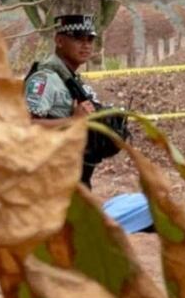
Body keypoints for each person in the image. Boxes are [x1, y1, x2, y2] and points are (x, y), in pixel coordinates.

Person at [24, 14, 123, 189]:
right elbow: (24, 126)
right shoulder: (45, 78)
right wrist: (73, 122)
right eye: (78, 38)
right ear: (59, 41)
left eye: (90, 39)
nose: (86, 45)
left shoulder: (70, 78)